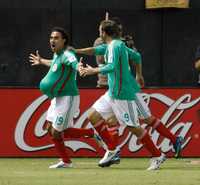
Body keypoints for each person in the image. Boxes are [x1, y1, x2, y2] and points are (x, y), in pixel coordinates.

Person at [79, 20, 166, 170]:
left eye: (100, 30)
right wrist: (139, 75)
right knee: (93, 115)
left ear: (104, 33)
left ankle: (158, 155)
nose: (99, 33)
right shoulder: (116, 45)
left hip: (122, 94)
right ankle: (112, 150)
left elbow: (112, 66)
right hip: (112, 92)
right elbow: (137, 56)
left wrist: (93, 70)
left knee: (133, 127)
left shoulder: (116, 46)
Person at [29, 27, 103, 168]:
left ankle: (71, 157)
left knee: (57, 131)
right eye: (51, 37)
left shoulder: (67, 53)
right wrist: (42, 60)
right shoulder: (58, 55)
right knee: (50, 129)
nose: (52, 40)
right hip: (57, 98)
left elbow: (73, 62)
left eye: (56, 38)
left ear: (64, 41)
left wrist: (79, 67)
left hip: (67, 99)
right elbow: (55, 64)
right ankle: (71, 155)